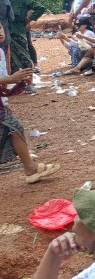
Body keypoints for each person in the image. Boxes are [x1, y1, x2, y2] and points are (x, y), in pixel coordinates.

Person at [0, 36, 59, 184]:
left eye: (1, 27)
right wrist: (10, 79)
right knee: (13, 127)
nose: (0, 32)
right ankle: (30, 167)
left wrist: (18, 82)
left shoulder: (1, 51)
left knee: (14, 129)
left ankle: (30, 167)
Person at [0, 0, 44, 80]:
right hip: (4, 33)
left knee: (24, 58)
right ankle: (11, 82)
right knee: (6, 59)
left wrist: (29, 19)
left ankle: (29, 82)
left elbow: (40, 8)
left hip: (18, 31)